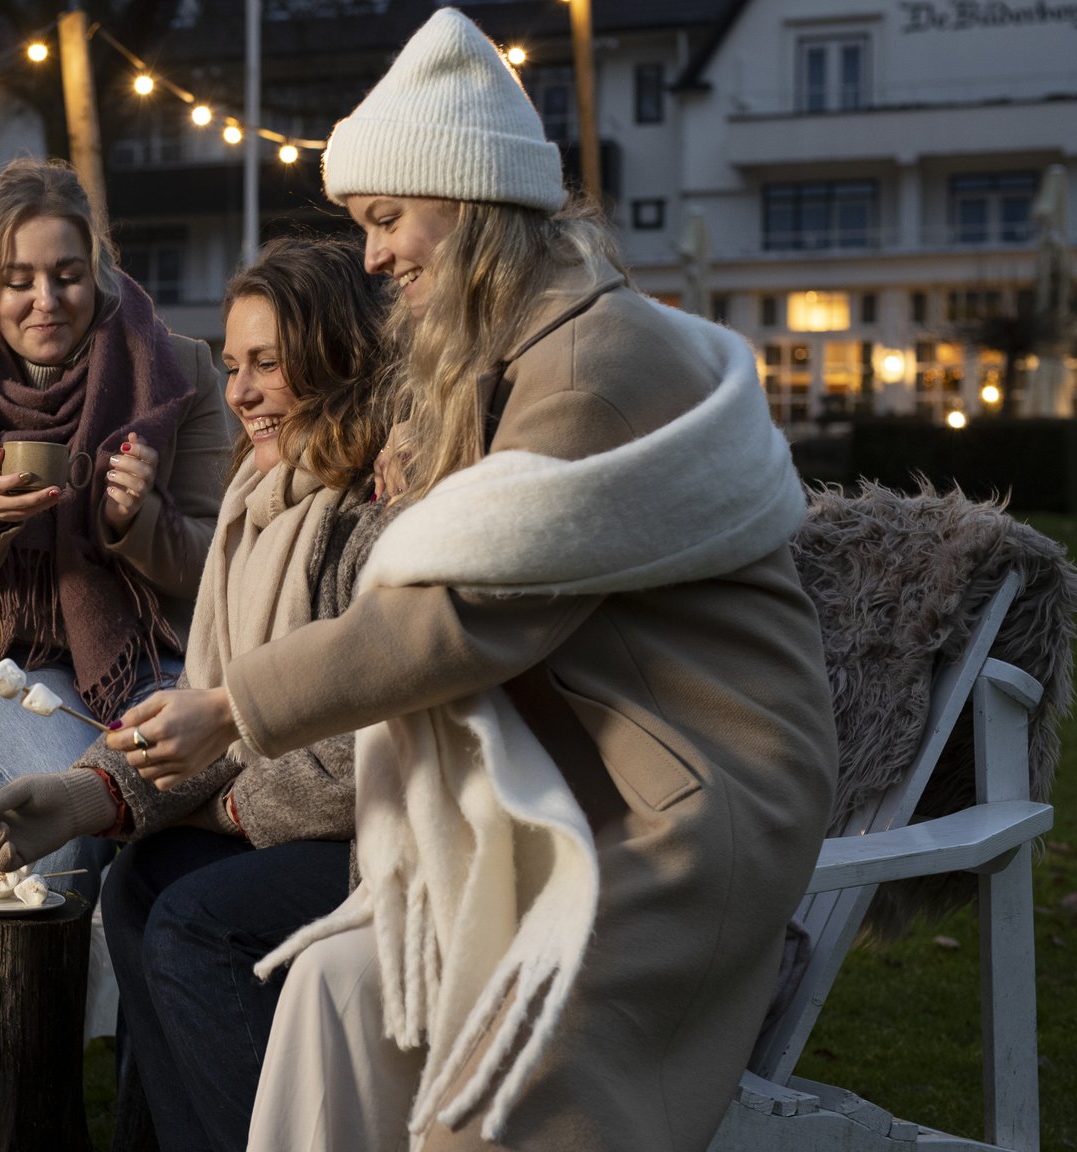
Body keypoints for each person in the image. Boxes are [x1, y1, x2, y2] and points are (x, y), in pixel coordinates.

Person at [103, 11, 839, 1152]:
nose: (375, 254)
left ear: (476, 205)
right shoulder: (505, 362)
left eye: (389, 217)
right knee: (338, 998)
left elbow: (463, 611)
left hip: (678, 800)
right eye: (363, 226)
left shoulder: (591, 367)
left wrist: (230, 706)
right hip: (555, 775)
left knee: (497, 1093)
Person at [0, 237, 391, 1151]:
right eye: (234, 366)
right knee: (138, 890)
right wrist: (82, 793)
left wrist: (226, 809)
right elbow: (210, 704)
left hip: (397, 833)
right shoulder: (262, 508)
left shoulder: (377, 515)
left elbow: (371, 746)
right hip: (309, 814)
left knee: (199, 920)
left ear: (341, 356)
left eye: (269, 363)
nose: (240, 392)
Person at [0, 158, 230, 900]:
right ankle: (36, 1008)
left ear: (97, 272)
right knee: (73, 795)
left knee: (192, 800)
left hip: (149, 660)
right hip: (7, 669)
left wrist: (138, 523)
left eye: (67, 275)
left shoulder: (175, 372)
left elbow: (218, 567)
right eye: (19, 281)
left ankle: (150, 996)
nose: (46, 301)